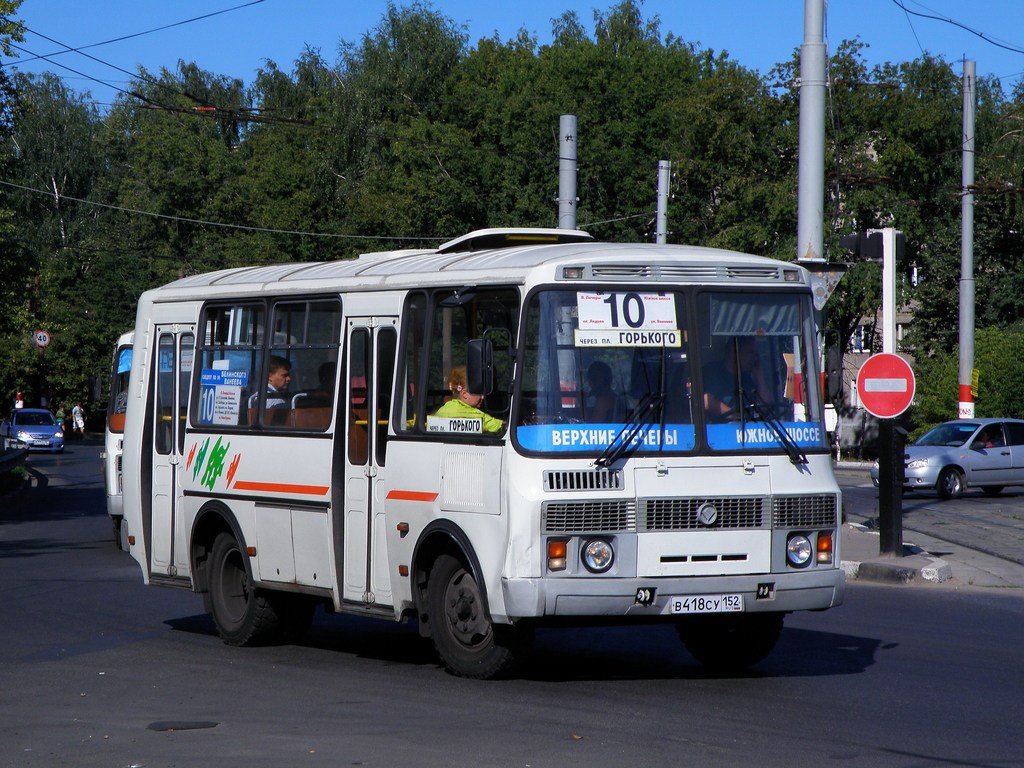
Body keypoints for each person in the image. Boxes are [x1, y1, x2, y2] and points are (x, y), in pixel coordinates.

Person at [703, 336, 773, 420]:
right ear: (734, 352)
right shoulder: (711, 371)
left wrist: (759, 375)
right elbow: (708, 402)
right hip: (719, 429)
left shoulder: (747, 378)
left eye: (755, 354)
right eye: (749, 352)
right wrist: (739, 417)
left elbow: (764, 407)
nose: (754, 358)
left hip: (747, 428)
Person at [433, 365, 503, 433]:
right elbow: (501, 427)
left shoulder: (442, 411)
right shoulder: (478, 416)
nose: (483, 397)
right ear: (464, 394)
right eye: (478, 392)